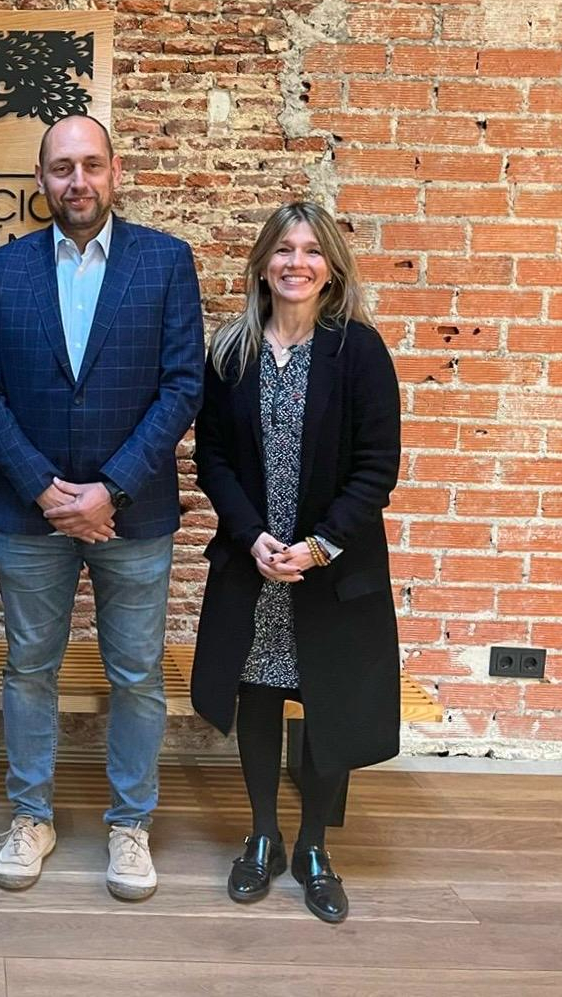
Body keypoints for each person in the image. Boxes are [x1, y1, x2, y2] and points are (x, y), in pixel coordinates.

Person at [0, 114, 203, 901]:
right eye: (61, 167)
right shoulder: (4, 271)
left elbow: (182, 386)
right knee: (29, 668)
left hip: (131, 517)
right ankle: (31, 816)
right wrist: (43, 487)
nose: (77, 181)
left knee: (136, 674)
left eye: (90, 165)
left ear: (115, 172)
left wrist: (112, 488)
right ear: (40, 179)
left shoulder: (166, 262)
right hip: (30, 515)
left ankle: (129, 824)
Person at [191, 201, 401, 924]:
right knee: (255, 693)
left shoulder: (360, 352)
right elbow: (212, 458)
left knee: (326, 704)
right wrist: (252, 537)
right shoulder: (231, 351)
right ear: (262, 262)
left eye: (312, 251)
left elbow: (378, 470)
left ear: (332, 267)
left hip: (331, 570)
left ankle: (313, 845)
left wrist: (315, 548)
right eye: (284, 249)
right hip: (254, 565)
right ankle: (263, 837)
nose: (296, 263)